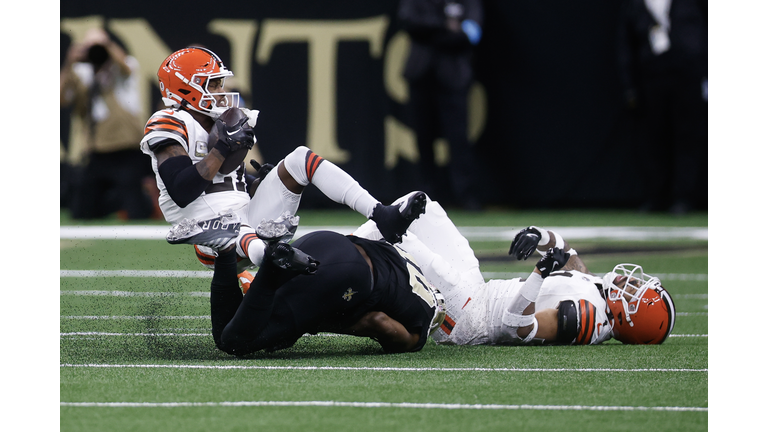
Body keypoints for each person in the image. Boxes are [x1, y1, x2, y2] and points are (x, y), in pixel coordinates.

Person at [140, 46, 429, 282]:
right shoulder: (169, 122)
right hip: (205, 230)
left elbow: (227, 182)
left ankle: (381, 214)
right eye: (212, 84)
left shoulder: (223, 121)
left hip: (244, 214)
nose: (220, 90)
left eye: (219, 83)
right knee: (237, 229)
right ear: (186, 88)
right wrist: (221, 149)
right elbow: (181, 189)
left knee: (300, 158)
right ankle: (276, 268)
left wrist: (256, 185)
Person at [353, 192, 677, 346]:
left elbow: (517, 326)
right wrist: (542, 235)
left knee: (399, 237)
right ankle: (336, 248)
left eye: (636, 292)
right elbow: (567, 255)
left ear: (630, 317)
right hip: (476, 292)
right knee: (424, 208)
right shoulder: (597, 293)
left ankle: (320, 258)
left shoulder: (588, 319)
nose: (632, 283)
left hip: (466, 319)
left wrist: (539, 273)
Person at [203, 215, 446, 356]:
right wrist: (316, 322)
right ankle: (262, 257)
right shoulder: (419, 329)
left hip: (326, 243)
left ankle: (227, 247)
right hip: (345, 276)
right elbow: (377, 321)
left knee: (241, 322)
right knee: (236, 343)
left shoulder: (406, 262)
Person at [616, 0, 708, 215]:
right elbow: (624, 44)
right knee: (653, 140)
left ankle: (683, 198)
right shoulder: (635, 5)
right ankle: (655, 196)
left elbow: (705, 37)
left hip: (687, 77)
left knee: (687, 138)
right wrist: (629, 86)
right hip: (651, 78)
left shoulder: (691, 4)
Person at [60, 27, 156, 220]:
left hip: (126, 149)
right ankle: (108, 206)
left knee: (136, 209)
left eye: (100, 44)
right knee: (81, 212)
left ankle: (141, 203)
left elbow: (125, 68)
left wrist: (105, 47)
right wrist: (70, 62)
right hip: (97, 150)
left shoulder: (124, 66)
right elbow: (62, 99)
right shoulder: (81, 72)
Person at [397, 0, 485, 210]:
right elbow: (409, 23)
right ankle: (424, 198)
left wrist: (434, 32)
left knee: (458, 139)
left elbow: (472, 33)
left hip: (454, 78)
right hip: (421, 76)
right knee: (423, 139)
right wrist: (446, 26)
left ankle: (465, 196)